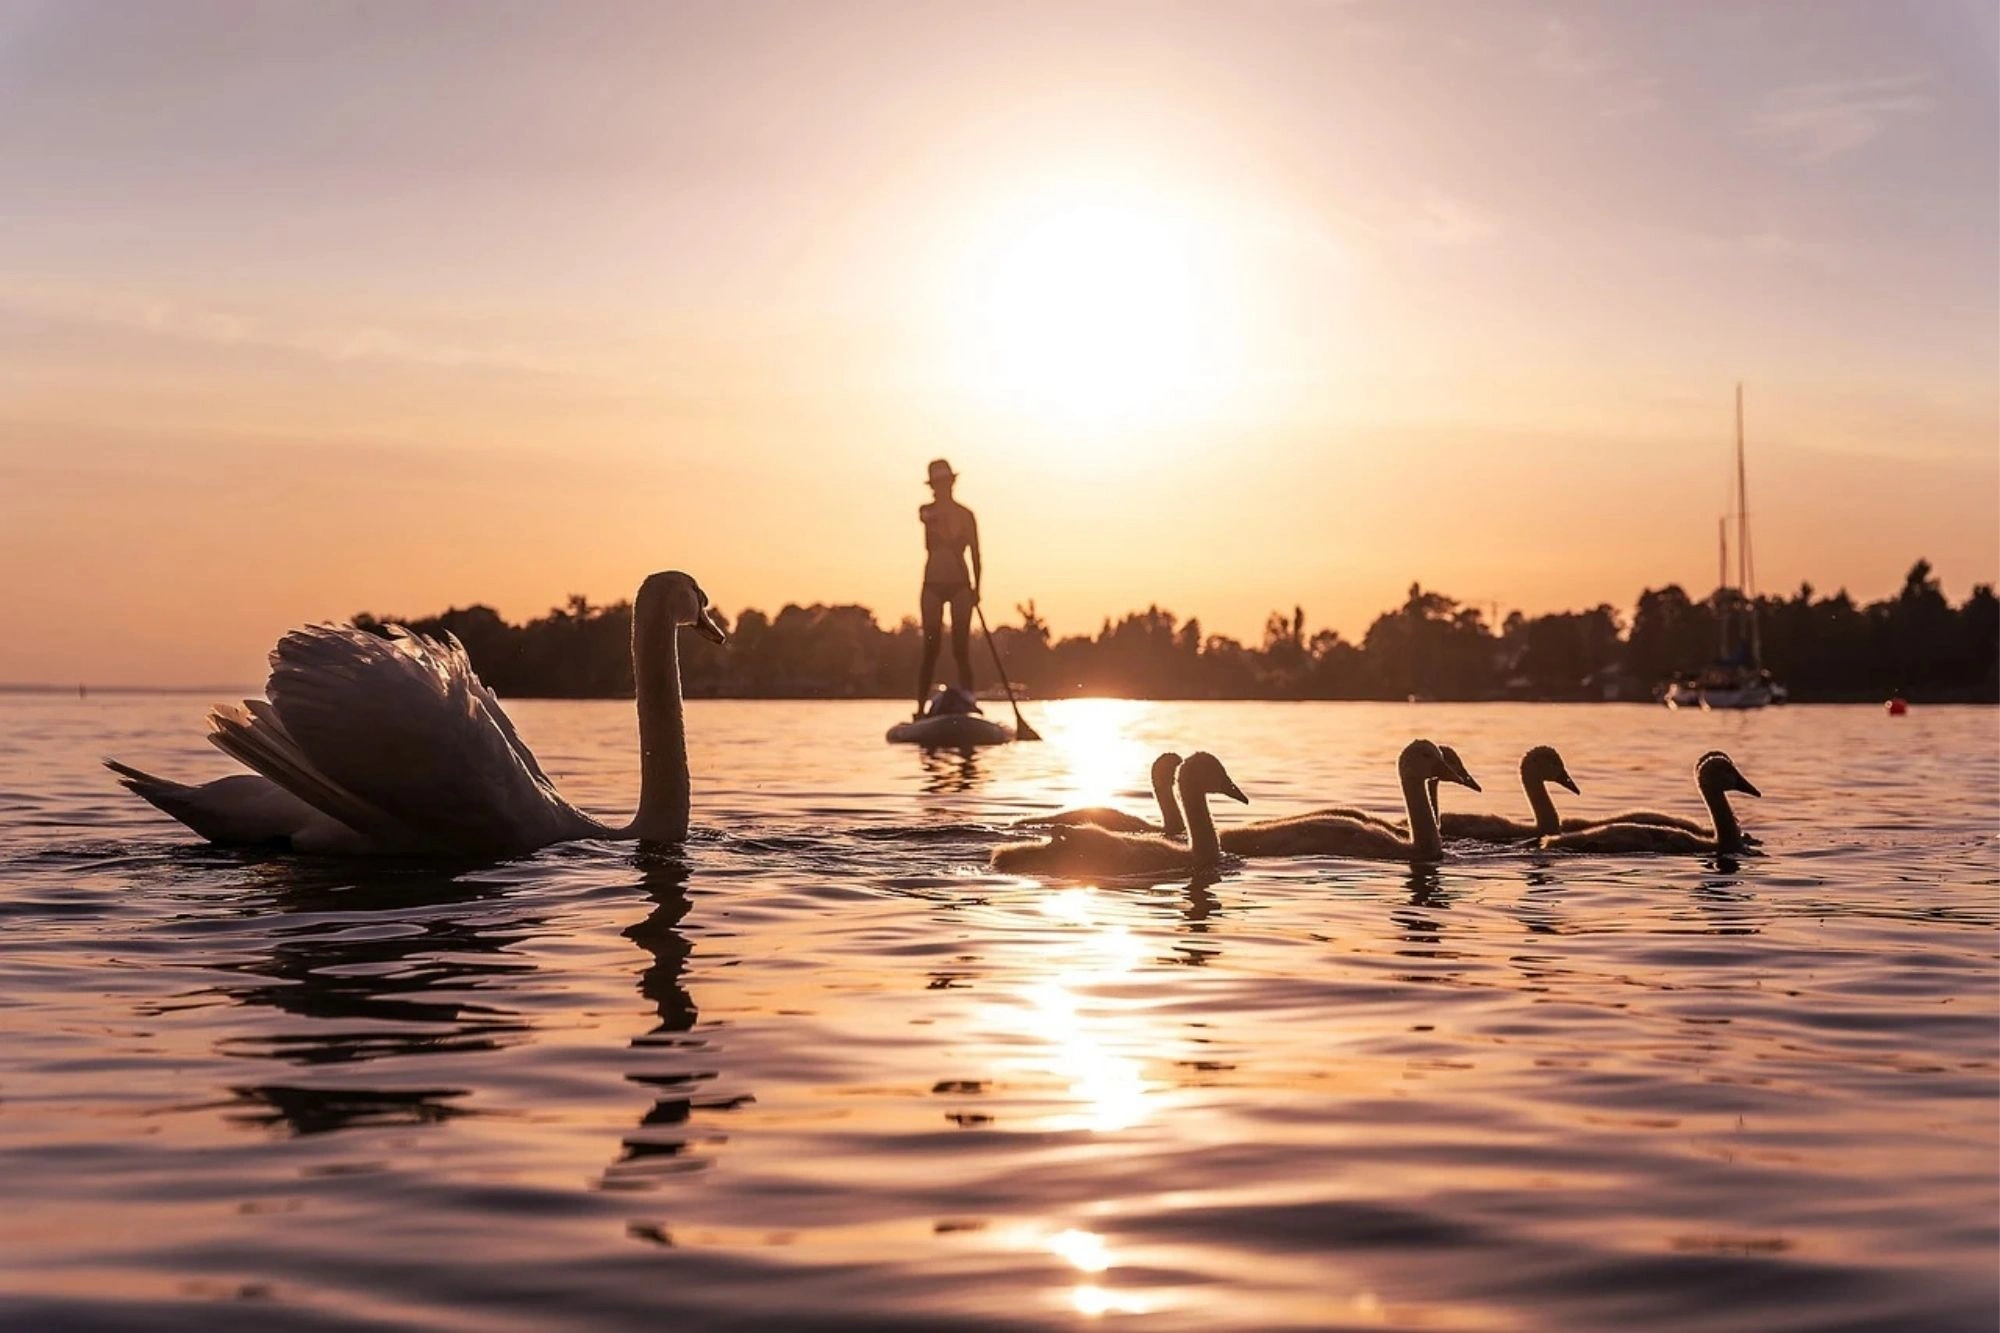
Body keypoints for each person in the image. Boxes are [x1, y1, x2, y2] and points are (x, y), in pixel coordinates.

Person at [915, 458, 981, 718]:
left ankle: (969, 701)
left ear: (952, 483)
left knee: (960, 648)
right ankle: (920, 709)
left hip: (960, 585)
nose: (942, 488)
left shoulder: (967, 515)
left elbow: (976, 553)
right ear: (933, 486)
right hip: (932, 585)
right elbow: (927, 518)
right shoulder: (927, 511)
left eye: (945, 482)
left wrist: (978, 587)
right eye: (937, 484)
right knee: (931, 649)